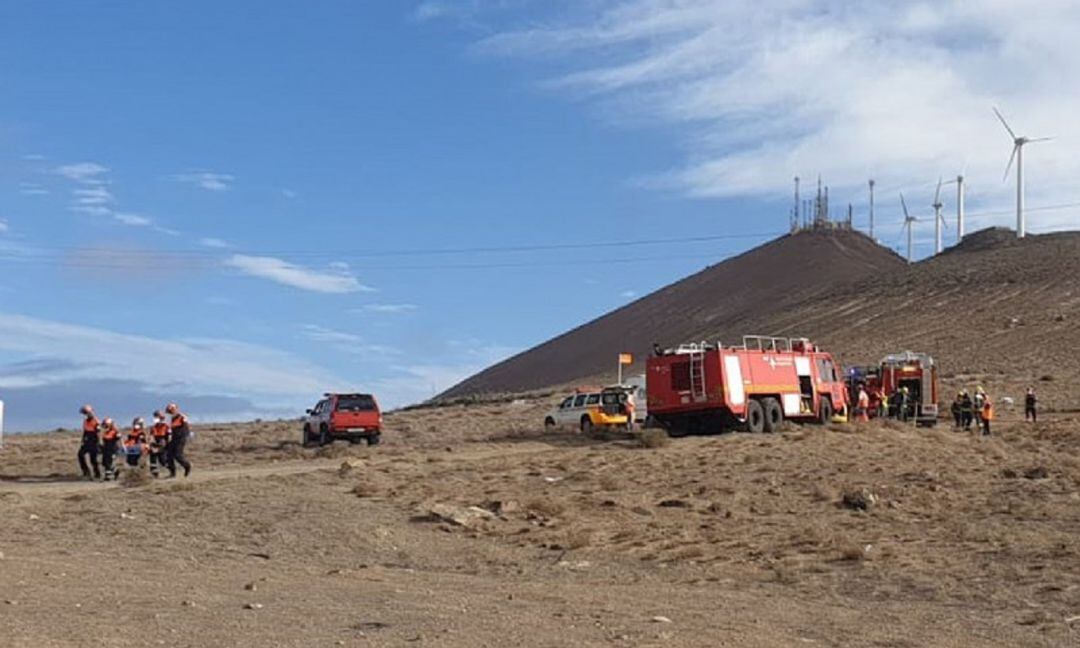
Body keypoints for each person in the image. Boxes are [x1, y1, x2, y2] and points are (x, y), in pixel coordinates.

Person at [165, 403, 192, 478]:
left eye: (171, 409)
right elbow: (167, 428)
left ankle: (187, 466)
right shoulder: (169, 418)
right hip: (173, 438)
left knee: (177, 455)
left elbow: (173, 425)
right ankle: (172, 473)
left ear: (176, 409)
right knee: (169, 455)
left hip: (181, 438)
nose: (170, 411)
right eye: (169, 410)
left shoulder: (181, 417)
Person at [77, 405, 102, 481]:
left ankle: (97, 474)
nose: (86, 415)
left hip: (94, 442)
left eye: (86, 413)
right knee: (80, 454)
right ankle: (86, 472)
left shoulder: (96, 421)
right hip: (87, 441)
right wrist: (82, 441)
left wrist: (99, 443)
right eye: (85, 413)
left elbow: (98, 432)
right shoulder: (85, 421)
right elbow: (85, 432)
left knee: (93, 459)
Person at [148, 410, 171, 478]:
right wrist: (151, 443)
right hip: (155, 443)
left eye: (157, 416)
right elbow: (151, 436)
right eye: (155, 416)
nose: (155, 418)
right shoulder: (153, 427)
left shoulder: (166, 426)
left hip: (163, 444)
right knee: (153, 459)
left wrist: (163, 445)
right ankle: (155, 475)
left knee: (162, 461)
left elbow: (169, 437)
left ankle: (172, 471)